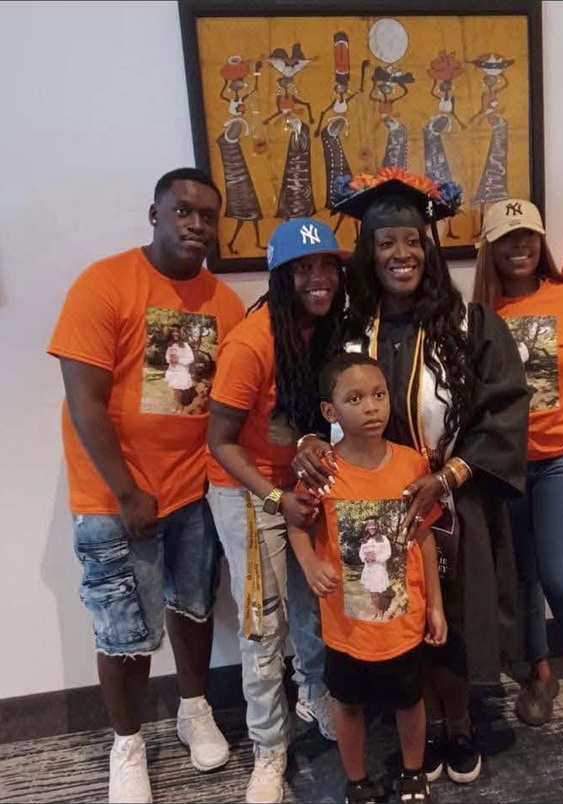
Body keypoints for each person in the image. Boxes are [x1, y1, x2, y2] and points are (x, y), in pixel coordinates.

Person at [292, 167, 530, 784]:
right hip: (367, 508)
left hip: (451, 503)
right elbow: (310, 403)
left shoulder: (472, 326)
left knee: (447, 616)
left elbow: (502, 412)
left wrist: (448, 477)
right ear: (368, 256)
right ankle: (409, 720)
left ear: (429, 246)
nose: (401, 254)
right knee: (391, 617)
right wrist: (312, 440)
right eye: (384, 242)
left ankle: (458, 724)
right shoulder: (348, 334)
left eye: (412, 240)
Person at [47, 167, 246, 804]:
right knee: (123, 631)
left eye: (207, 216)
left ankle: (194, 708)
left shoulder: (226, 304)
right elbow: (83, 400)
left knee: (192, 609)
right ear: (155, 214)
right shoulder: (104, 284)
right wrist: (127, 490)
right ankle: (126, 743)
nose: (195, 225)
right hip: (113, 497)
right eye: (182, 211)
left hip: (194, 491)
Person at [206, 217, 348, 803]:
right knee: (263, 625)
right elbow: (221, 442)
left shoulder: (336, 328)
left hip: (305, 483)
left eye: (326, 267)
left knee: (317, 605)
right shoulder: (250, 341)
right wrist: (273, 497)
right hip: (248, 489)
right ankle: (268, 747)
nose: (317, 279)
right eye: (302, 269)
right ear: (281, 276)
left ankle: (316, 693)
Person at [472, 198, 563, 756]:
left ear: (541, 241)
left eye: (528, 235)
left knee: (562, 578)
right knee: (522, 578)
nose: (520, 247)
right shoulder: (478, 316)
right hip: (505, 468)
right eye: (508, 238)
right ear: (490, 247)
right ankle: (538, 671)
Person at [288, 352, 447, 804]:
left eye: (378, 395)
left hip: (404, 622)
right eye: (355, 398)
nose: (372, 407)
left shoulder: (412, 464)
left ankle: (414, 773)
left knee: (409, 700)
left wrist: (434, 604)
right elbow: (297, 524)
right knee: (349, 704)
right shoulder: (324, 472)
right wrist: (309, 563)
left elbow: (425, 536)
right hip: (346, 628)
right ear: (330, 412)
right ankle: (356, 780)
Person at [358, 518, 392, 619]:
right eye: (369, 525)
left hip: (379, 569)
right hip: (369, 570)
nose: (372, 527)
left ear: (377, 526)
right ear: (367, 527)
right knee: (372, 593)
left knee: (378, 593)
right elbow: (360, 553)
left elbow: (388, 553)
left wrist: (376, 558)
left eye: (373, 525)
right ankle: (376, 611)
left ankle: (380, 611)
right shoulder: (365, 540)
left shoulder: (383, 538)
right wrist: (365, 558)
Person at [164, 327, 195, 412]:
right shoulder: (170, 345)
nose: (175, 334)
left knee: (180, 390)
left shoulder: (185, 345)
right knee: (175, 389)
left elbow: (191, 358)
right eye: (173, 332)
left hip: (182, 370)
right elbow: (167, 356)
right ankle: (176, 405)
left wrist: (179, 360)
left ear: (180, 334)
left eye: (176, 332)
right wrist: (169, 360)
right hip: (173, 370)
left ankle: (180, 406)